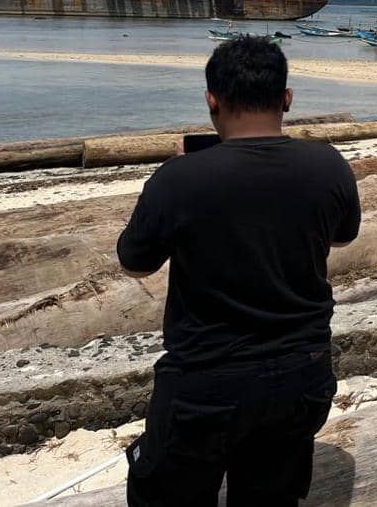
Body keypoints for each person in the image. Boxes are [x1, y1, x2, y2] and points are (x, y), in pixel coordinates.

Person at [117, 36, 361, 506]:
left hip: (205, 381)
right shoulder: (329, 165)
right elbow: (342, 237)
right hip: (302, 374)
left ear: (212, 100)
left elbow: (133, 264)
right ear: (286, 99)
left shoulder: (179, 178)